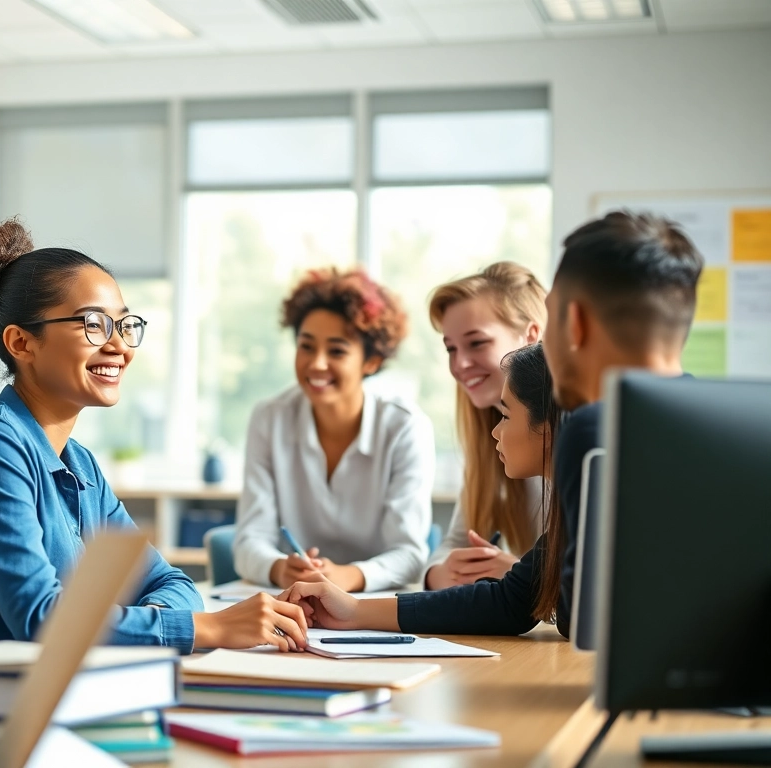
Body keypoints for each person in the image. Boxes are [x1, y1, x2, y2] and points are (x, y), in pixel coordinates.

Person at [0, 219, 310, 655]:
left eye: (125, 326)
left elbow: (169, 581)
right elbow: (42, 618)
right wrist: (206, 629)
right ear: (21, 343)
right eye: (94, 324)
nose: (119, 347)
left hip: (42, 691)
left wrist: (162, 618)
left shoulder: (79, 464)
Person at [280, 211, 702, 639]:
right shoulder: (705, 421)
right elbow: (515, 602)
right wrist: (352, 610)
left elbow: (583, 622)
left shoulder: (591, 433)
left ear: (572, 324)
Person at [233, 268, 435, 592]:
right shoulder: (269, 419)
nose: (317, 363)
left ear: (371, 361)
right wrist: (280, 569)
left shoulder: (405, 428)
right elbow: (249, 541)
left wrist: (348, 576)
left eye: (337, 351)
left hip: (373, 610)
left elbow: (410, 553)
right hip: (292, 602)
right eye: (306, 346)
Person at [424, 263, 548, 590]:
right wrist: (441, 572)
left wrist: (521, 572)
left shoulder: (574, 434)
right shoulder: (491, 435)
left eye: (476, 343)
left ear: (530, 337)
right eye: (451, 348)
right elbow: (453, 544)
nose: (459, 365)